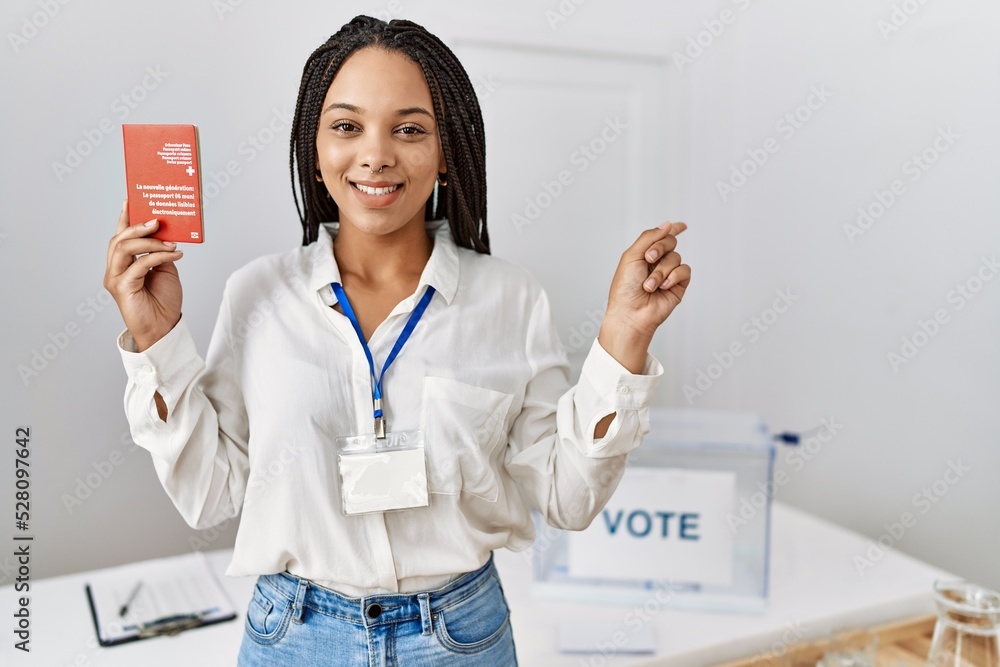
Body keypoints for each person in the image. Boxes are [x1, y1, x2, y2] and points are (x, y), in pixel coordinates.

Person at [103, 14, 690, 667]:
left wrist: (623, 338)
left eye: (409, 128)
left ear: (445, 154)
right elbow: (209, 496)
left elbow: (568, 498)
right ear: (314, 149)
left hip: (460, 637)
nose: (376, 153)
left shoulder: (512, 299)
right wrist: (156, 340)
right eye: (347, 126)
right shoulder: (257, 295)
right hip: (294, 637)